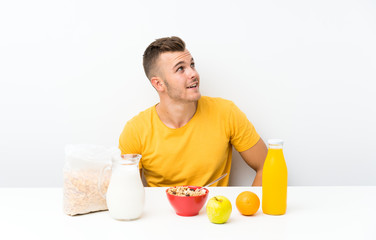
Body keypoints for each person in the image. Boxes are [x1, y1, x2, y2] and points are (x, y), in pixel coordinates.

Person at [119, 36, 267, 187]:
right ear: (159, 84)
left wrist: (249, 205)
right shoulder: (135, 131)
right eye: (180, 68)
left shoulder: (226, 113)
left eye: (192, 65)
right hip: (162, 210)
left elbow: (267, 166)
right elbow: (126, 191)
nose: (193, 74)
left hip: (214, 209)